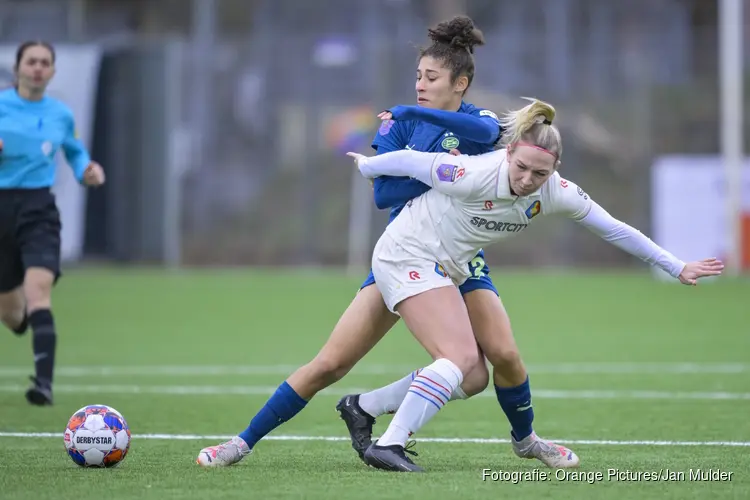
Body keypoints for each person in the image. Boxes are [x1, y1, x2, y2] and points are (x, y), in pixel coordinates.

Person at [196, 16, 576, 469]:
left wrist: (434, 165)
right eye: (417, 76)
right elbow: (383, 193)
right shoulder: (396, 126)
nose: (419, 85)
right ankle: (240, 444)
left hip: (460, 259)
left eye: (431, 77)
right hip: (406, 253)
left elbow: (489, 136)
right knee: (331, 364)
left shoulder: (480, 122)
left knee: (497, 361)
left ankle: (526, 441)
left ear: (461, 83)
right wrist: (438, 170)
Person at [345, 97, 724, 472]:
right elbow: (412, 162)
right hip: (407, 253)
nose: (527, 181)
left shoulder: (556, 191)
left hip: (452, 264)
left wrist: (676, 266)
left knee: (482, 372)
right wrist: (367, 167)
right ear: (508, 153)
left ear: (555, 169)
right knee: (459, 359)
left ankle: (365, 407)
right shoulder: (473, 172)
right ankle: (390, 444)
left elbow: (614, 229)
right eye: (522, 168)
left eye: (539, 174)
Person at [0, 41, 106, 406]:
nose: (38, 68)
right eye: (31, 62)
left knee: (38, 291)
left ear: (53, 71)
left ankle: (43, 385)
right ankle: (28, 322)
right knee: (13, 315)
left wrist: (87, 171)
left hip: (38, 209)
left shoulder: (60, 114)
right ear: (18, 68)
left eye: (45, 62)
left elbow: (77, 154)